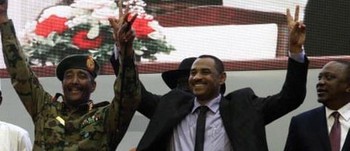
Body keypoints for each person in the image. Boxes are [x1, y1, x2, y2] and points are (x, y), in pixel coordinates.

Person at [114, 4, 308, 151]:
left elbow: (291, 97)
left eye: (205, 72)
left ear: (222, 78)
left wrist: (295, 51)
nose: (196, 77)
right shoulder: (170, 105)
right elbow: (133, 92)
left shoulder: (244, 108)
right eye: (193, 73)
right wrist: (124, 50)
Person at [0, 1, 140, 150]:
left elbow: (128, 97)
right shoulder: (45, 109)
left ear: (93, 85)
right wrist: (3, 19)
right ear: (62, 83)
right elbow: (21, 73)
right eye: (68, 76)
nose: (74, 81)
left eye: (82, 75)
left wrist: (126, 51)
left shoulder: (105, 118)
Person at [284, 60, 350, 151]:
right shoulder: (301, 123)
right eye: (320, 78)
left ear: (348, 86)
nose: (320, 83)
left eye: (329, 77)